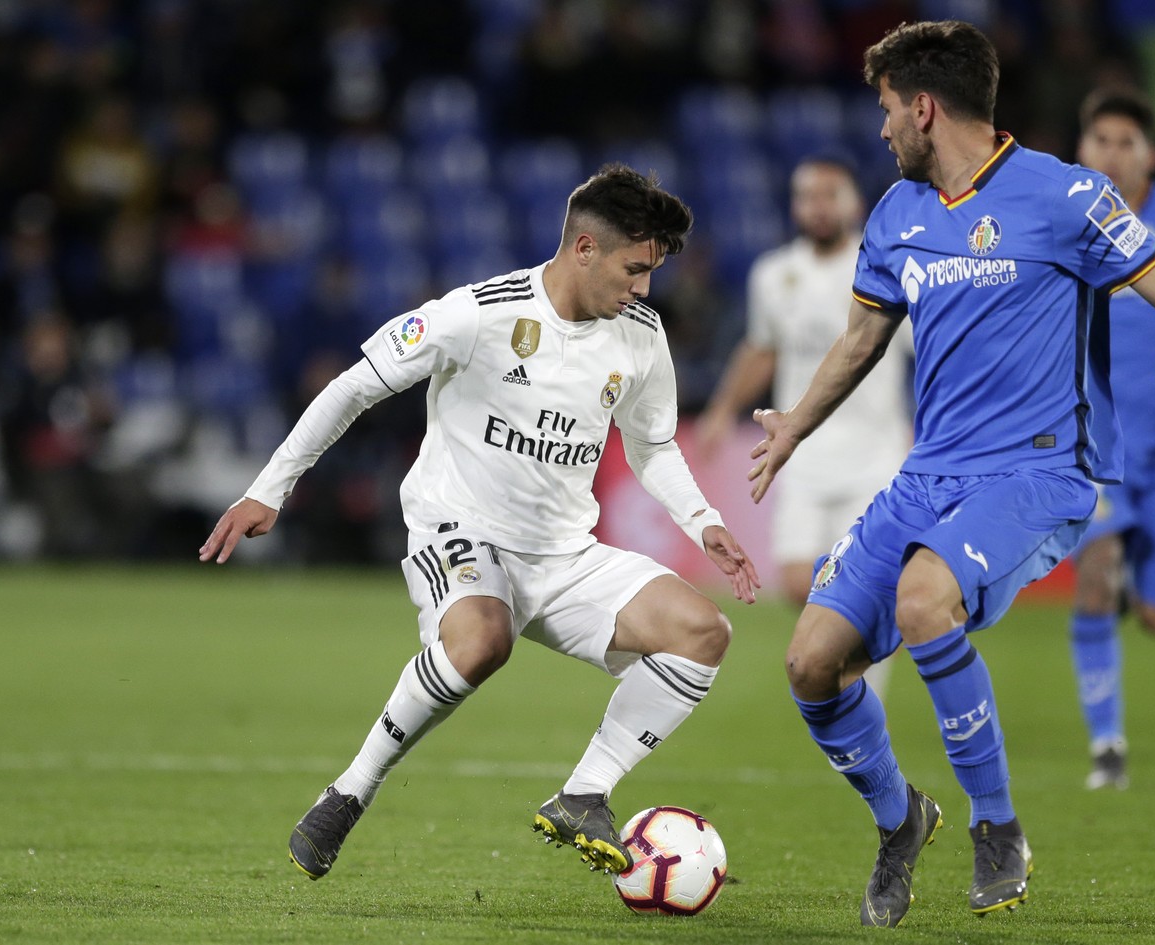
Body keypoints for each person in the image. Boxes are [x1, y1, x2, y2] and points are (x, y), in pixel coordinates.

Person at [748, 20, 1155, 928]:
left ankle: (999, 828)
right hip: (929, 475)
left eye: (885, 111)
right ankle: (902, 820)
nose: (881, 132)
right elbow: (862, 338)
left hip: (1039, 473)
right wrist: (796, 423)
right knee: (810, 664)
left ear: (924, 106)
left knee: (922, 601)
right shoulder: (897, 214)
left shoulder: (1067, 195)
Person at [199, 164, 761, 881]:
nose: (644, 288)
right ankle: (348, 791)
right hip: (459, 529)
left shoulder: (640, 334)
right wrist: (269, 489)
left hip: (562, 553)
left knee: (703, 632)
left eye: (650, 272)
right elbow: (354, 385)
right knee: (483, 640)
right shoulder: (480, 314)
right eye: (634, 268)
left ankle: (584, 793)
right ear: (584, 248)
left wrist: (703, 519)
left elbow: (649, 443)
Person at [695, 155, 912, 697]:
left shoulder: (882, 267)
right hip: (801, 455)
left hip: (875, 454)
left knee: (852, 582)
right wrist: (722, 410)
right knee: (798, 580)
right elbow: (762, 349)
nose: (817, 206)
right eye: (806, 195)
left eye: (828, 194)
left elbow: (925, 353)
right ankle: (874, 631)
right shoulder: (774, 273)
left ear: (853, 203)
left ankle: (864, 694)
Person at [1066, 88, 1155, 790]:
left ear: (1148, 154)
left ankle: (1130, 588)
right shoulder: (1065, 216)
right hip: (1092, 446)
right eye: (1101, 141)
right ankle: (1108, 749)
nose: (1113, 153)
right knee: (1094, 574)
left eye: (1127, 142)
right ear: (1082, 151)